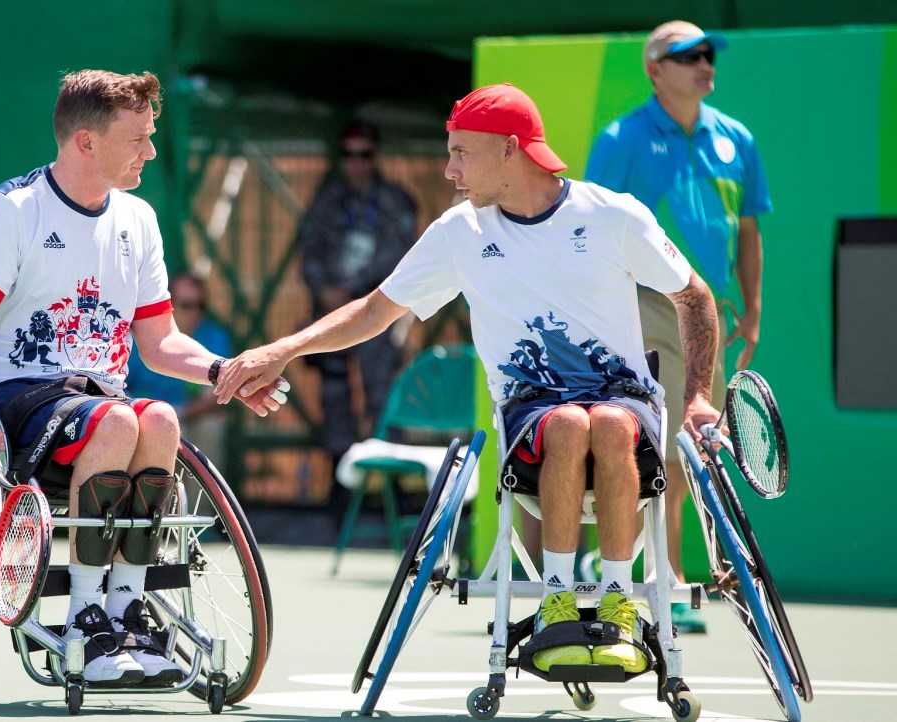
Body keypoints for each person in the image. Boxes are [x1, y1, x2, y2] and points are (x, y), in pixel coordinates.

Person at [215, 83, 719, 674]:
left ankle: (618, 606)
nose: (449, 169)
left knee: (606, 421)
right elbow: (377, 311)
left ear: (511, 150)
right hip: (534, 411)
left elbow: (694, 298)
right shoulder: (459, 232)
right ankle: (558, 605)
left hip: (622, 404)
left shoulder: (613, 216)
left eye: (462, 153)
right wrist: (285, 347)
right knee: (564, 424)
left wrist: (700, 398)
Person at [0, 69, 288, 686]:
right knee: (121, 419)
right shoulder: (9, 213)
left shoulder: (139, 219)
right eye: (138, 139)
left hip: (102, 403)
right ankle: (85, 619)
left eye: (152, 137)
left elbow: (159, 343)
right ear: (85, 143)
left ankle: (126, 609)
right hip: (17, 396)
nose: (151, 151)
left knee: (161, 417)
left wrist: (223, 371)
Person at [585, 20, 771, 634]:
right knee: (661, 446)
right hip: (640, 306)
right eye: (687, 55)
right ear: (655, 69)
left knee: (694, 447)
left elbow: (747, 230)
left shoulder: (737, 139)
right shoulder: (620, 140)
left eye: (707, 53)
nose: (703, 62)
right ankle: (658, 578)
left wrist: (751, 307)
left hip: (707, 311)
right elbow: (590, 235)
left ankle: (643, 567)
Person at [297, 120, 418, 517]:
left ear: (375, 156)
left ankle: (394, 492)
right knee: (335, 398)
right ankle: (339, 491)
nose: (356, 163)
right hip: (332, 313)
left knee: (383, 395)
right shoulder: (327, 200)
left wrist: (355, 288)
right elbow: (309, 253)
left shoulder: (396, 200)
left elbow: (399, 256)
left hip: (378, 313)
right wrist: (324, 289)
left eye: (363, 154)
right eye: (348, 155)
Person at [126, 271, 233, 471]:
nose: (195, 312)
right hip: (144, 419)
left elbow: (216, 395)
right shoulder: (142, 335)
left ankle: (200, 503)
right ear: (169, 304)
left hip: (191, 417)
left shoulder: (215, 336)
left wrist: (179, 413)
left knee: (210, 428)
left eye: (200, 306)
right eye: (186, 305)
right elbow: (121, 386)